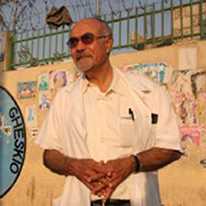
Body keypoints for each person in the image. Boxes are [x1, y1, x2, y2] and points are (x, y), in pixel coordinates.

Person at [36, 17, 182, 206]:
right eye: (73, 42)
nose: (79, 47)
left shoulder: (147, 92)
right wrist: (74, 166)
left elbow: (172, 147)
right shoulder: (64, 98)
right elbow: (49, 154)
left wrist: (132, 164)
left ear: (108, 44)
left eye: (87, 39)